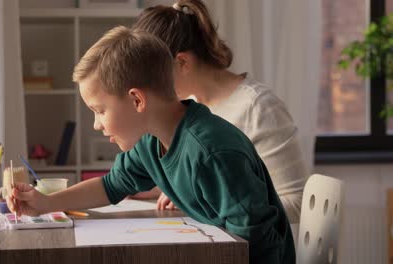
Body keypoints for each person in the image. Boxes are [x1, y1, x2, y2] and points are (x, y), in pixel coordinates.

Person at [7, 26, 295, 264]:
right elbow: (110, 186)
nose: (96, 124)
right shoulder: (151, 142)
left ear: (137, 100)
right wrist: (46, 203)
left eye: (99, 110)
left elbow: (256, 242)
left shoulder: (212, 153)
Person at [131, 0, 308, 224]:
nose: (149, 87)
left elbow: (298, 202)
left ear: (182, 62)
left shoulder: (258, 107)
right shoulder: (189, 106)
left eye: (154, 76)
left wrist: (208, 203)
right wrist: (158, 190)